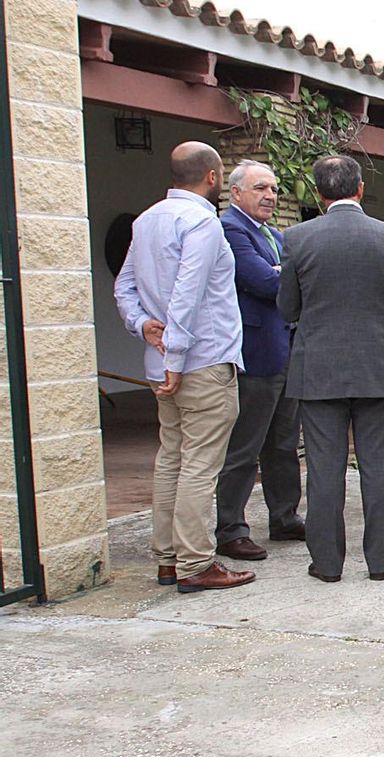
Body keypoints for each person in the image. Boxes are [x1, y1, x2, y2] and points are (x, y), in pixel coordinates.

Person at [113, 141, 254, 593]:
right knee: (198, 465)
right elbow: (188, 294)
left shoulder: (146, 219)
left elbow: (124, 287)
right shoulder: (202, 222)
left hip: (163, 363)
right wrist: (174, 354)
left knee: (171, 459)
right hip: (202, 361)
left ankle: (168, 558)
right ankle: (196, 562)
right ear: (213, 177)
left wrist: (142, 326)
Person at [277, 155, 384, 583]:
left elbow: (287, 306)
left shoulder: (297, 238)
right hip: (378, 364)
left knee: (323, 467)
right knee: (379, 465)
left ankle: (328, 563)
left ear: (319, 195)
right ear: (359, 189)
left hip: (318, 366)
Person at [214, 160, 305, 562]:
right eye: (260, 188)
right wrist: (284, 272)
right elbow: (264, 281)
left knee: (284, 443)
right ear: (235, 193)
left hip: (286, 349)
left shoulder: (274, 234)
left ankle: (284, 517)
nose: (270, 195)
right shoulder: (231, 228)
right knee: (245, 446)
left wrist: (282, 271)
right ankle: (231, 528)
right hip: (256, 351)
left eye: (273, 188)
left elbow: (294, 277)